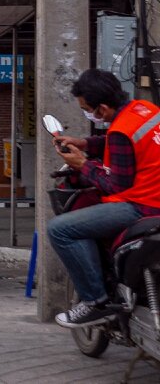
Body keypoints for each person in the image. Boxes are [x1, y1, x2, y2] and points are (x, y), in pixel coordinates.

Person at [48, 69, 160, 328]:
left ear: (102, 108)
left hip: (141, 207)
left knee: (60, 230)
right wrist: (85, 143)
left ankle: (95, 302)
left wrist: (82, 164)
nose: (89, 114)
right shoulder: (144, 109)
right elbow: (121, 143)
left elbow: (114, 185)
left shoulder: (121, 130)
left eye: (88, 109)